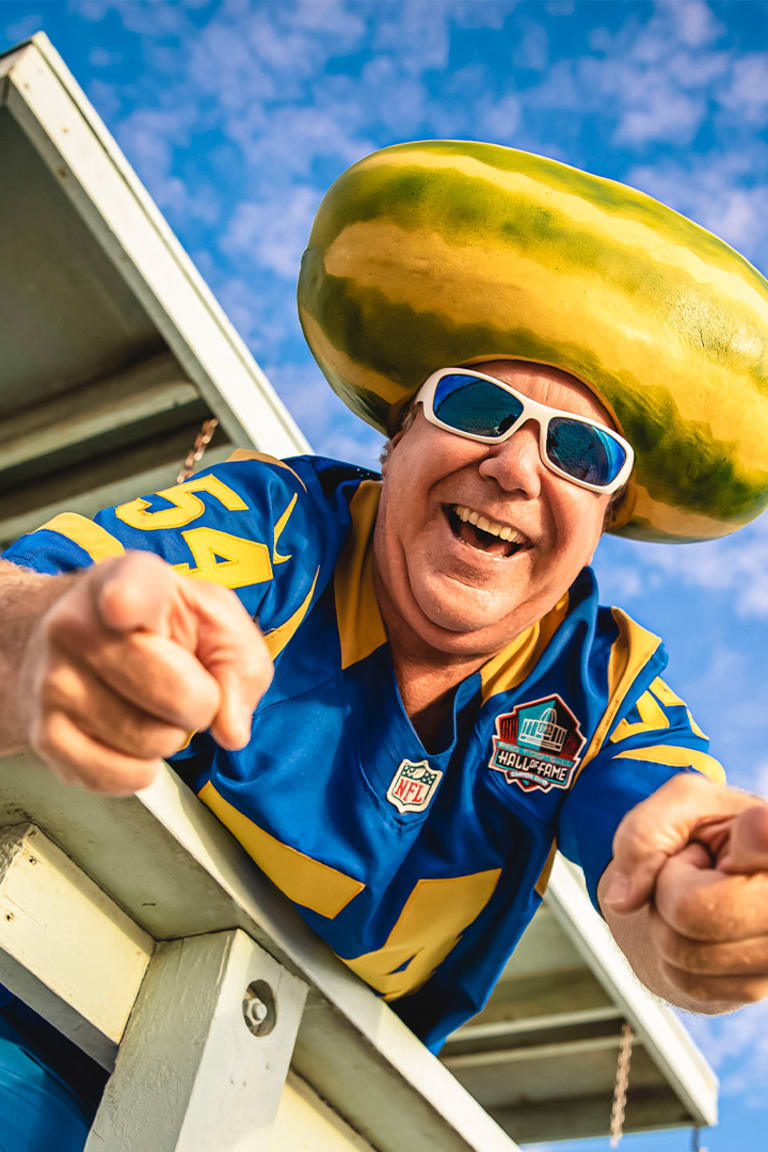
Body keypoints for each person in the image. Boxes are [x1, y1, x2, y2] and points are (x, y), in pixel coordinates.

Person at [2, 140, 768, 1148]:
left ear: (605, 520)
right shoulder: (274, 525)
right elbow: (33, 607)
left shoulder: (601, 678)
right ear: (396, 434)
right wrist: (45, 639)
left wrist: (697, 896)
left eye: (581, 453)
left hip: (301, 1116)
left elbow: (661, 824)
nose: (512, 468)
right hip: (36, 1007)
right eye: (478, 410)